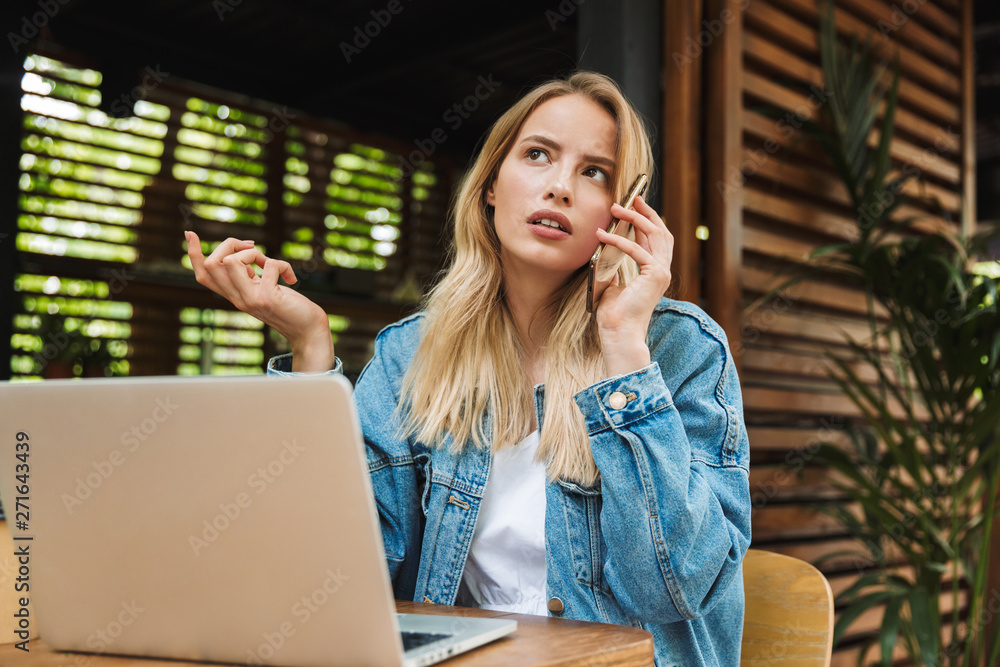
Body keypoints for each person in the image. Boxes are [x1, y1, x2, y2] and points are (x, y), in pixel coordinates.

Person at [186, 70, 751, 665]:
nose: (560, 187)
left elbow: (677, 588)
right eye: (538, 155)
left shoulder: (680, 348)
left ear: (621, 215)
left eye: (595, 172)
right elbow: (334, 575)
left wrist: (623, 352)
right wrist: (310, 344)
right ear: (490, 186)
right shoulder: (412, 355)